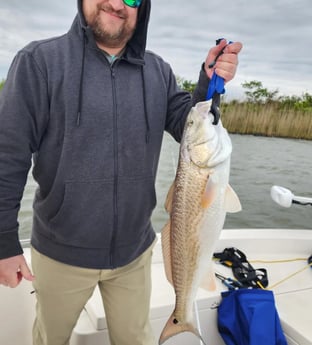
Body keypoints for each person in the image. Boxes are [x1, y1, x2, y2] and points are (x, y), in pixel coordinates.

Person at [0, 0, 242, 344]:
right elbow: (7, 155)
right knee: (49, 339)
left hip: (134, 254)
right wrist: (4, 243)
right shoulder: (39, 63)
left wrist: (208, 82)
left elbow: (185, 123)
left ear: (142, 8)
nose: (116, 4)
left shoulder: (158, 71)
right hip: (59, 254)